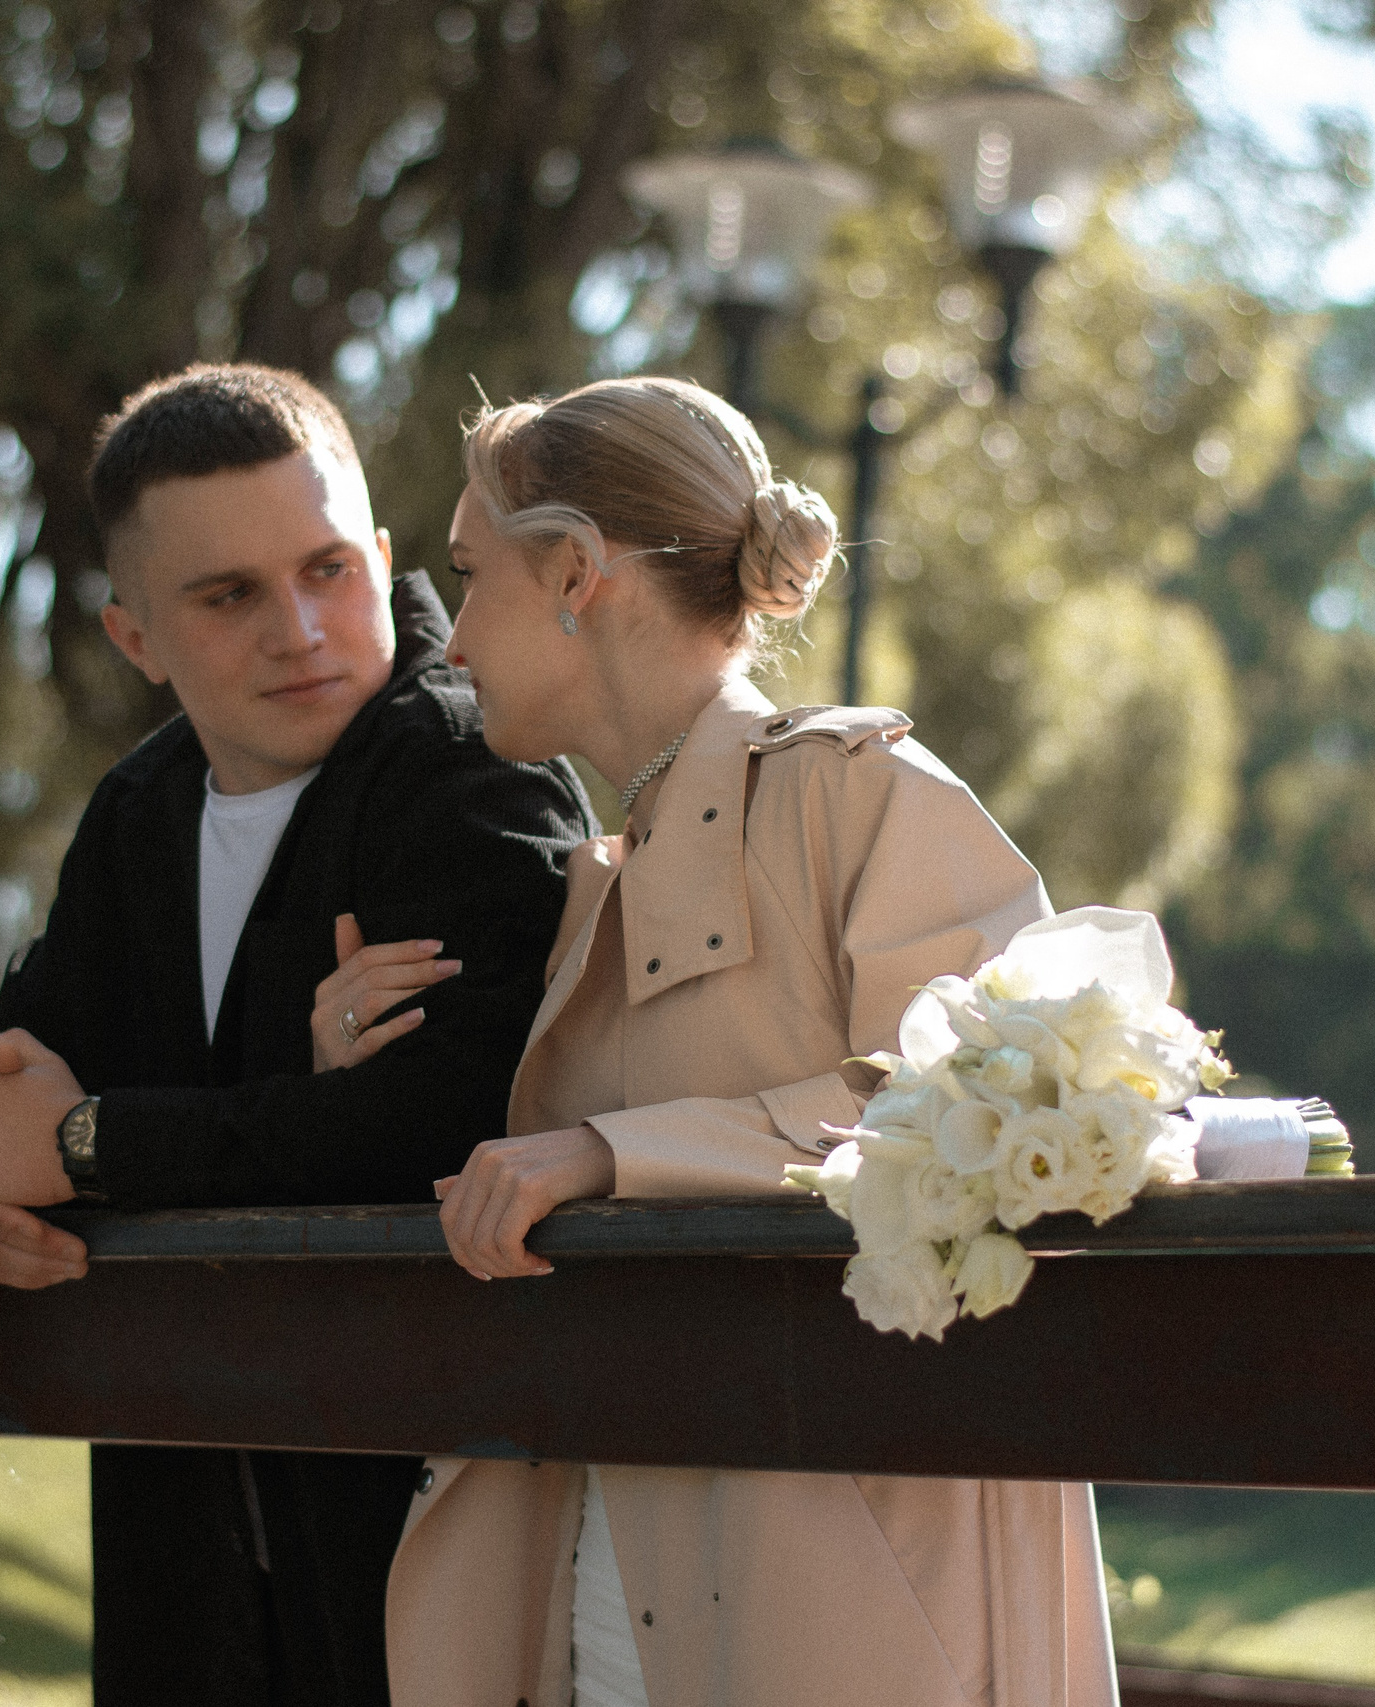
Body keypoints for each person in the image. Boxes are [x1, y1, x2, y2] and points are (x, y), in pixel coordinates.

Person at [332, 375, 1120, 1706]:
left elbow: (1002, 1097)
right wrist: (359, 1058)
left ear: (577, 571)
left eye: (470, 578)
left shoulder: (860, 791)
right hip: (603, 1573)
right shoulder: (597, 874)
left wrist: (609, 1155)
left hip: (853, 1601)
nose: (450, 642)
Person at [0, 362, 597, 1706]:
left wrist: (89, 1144)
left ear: (383, 554)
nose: (301, 629)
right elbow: (10, 1063)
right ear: (135, 640)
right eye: (229, 597)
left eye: (330, 570)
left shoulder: (470, 770)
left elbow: (435, 1125)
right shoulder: (140, 812)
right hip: (183, 1534)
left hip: (426, 1525)